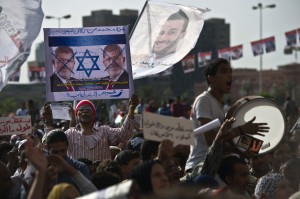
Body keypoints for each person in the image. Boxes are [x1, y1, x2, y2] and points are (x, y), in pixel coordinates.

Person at [185, 58, 269, 173]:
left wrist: (248, 149)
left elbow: (224, 142)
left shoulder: (219, 106)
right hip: (200, 166)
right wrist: (241, 129)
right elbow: (210, 140)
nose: (230, 76)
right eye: (224, 72)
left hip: (216, 165)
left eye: (230, 72)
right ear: (211, 79)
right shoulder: (204, 100)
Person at [43, 94, 139, 161]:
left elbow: (124, 135)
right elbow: (50, 143)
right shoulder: (69, 134)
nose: (85, 111)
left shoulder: (105, 131)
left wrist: (131, 110)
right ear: (77, 115)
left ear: (94, 115)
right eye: (81, 109)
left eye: (88, 109)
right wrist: (47, 121)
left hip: (101, 179)